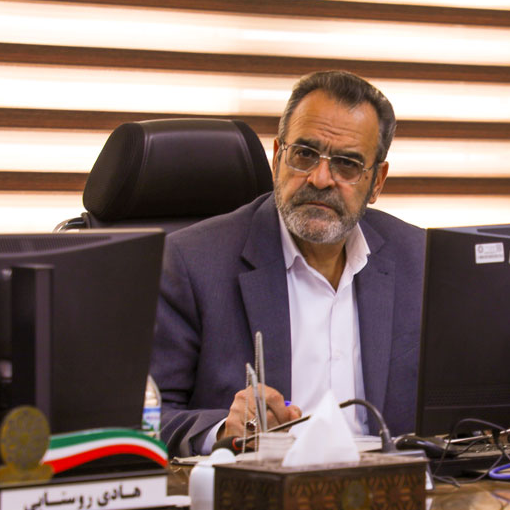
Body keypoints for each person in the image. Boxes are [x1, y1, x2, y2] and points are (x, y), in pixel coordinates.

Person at [151, 70, 425, 457]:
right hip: (261, 487)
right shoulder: (190, 262)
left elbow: (463, 405)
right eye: (304, 155)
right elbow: (144, 417)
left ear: (377, 181)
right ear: (278, 156)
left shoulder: (420, 260)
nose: (321, 179)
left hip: (392, 488)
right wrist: (223, 430)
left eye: (347, 164)